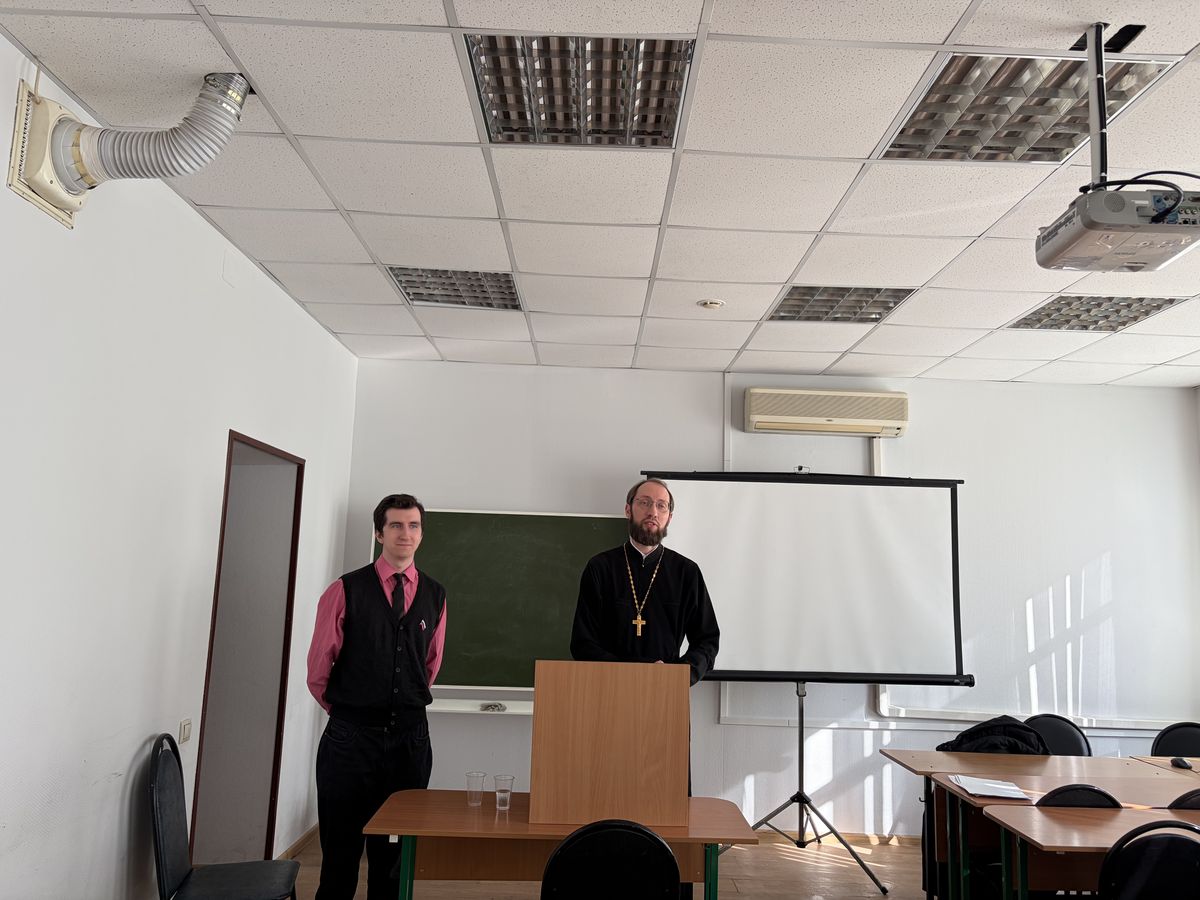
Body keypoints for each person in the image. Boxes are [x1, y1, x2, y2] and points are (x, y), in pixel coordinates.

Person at [306, 493, 447, 900]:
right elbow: (319, 669)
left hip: (410, 742)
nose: (406, 533)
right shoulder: (345, 589)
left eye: (413, 525)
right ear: (379, 533)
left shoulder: (435, 595)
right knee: (340, 857)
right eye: (396, 525)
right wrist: (354, 712)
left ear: (421, 533)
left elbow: (429, 665)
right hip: (351, 741)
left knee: (394, 860)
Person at [571, 477, 719, 683]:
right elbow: (582, 642)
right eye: (645, 502)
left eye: (661, 505)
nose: (653, 512)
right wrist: (628, 672)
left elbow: (707, 641)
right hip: (608, 687)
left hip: (666, 689)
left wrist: (678, 675)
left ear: (669, 517)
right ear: (628, 510)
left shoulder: (686, 572)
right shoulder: (600, 567)